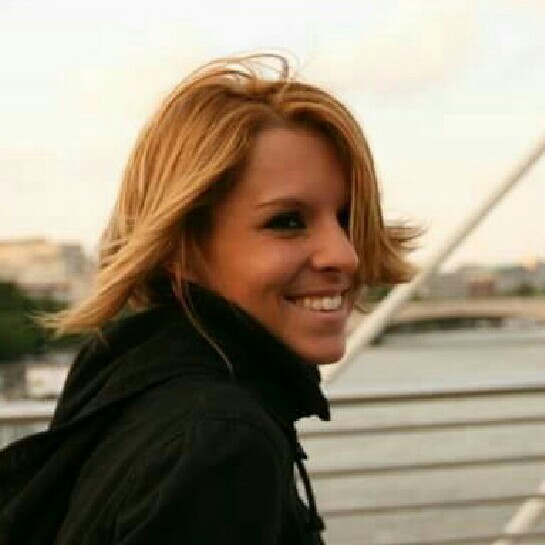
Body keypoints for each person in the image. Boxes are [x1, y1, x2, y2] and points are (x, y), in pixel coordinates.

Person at [0, 54, 416, 545]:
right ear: (180, 246)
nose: (345, 254)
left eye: (345, 219)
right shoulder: (218, 443)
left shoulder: (128, 386)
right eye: (287, 221)